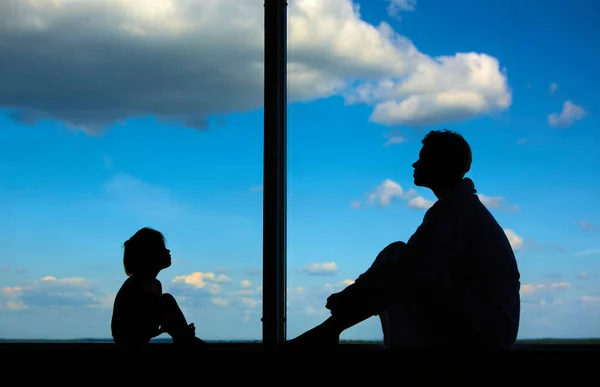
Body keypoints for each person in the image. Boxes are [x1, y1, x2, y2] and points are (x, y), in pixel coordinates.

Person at [287, 129, 521, 350]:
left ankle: (328, 331)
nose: (415, 164)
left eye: (423, 158)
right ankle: (329, 330)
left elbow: (406, 268)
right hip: (487, 329)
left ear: (442, 163)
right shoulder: (461, 209)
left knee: (396, 258)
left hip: (478, 334)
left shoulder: (454, 212)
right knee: (397, 259)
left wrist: (351, 296)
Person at [111, 227, 205, 349]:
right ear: (150, 254)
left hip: (135, 339)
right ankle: (184, 339)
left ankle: (184, 338)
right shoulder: (139, 285)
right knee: (163, 299)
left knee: (167, 298)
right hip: (130, 344)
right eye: (163, 248)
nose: (168, 251)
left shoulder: (153, 284)